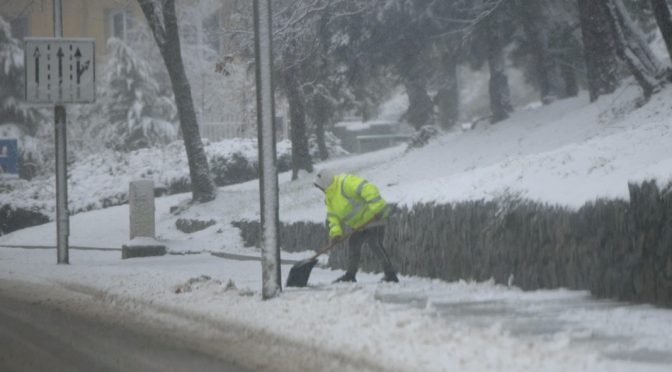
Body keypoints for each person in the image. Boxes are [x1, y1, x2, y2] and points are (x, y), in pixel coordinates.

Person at [314, 169, 399, 283]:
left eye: (320, 187)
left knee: (375, 243)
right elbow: (333, 218)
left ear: (325, 182)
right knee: (353, 243)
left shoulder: (345, 183)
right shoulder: (329, 198)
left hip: (373, 217)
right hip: (360, 225)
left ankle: (391, 275)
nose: (320, 189)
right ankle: (350, 275)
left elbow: (368, 188)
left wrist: (377, 208)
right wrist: (336, 234)